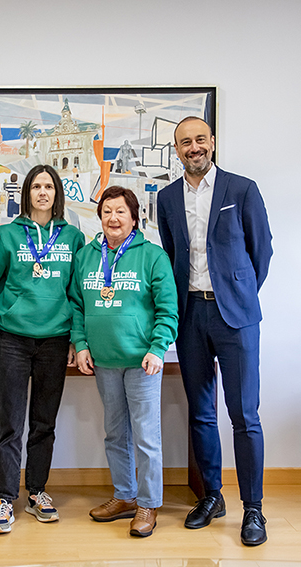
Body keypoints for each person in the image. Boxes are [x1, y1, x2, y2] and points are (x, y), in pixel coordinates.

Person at [157, 116, 273, 546]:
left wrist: (235, 293)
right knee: (202, 412)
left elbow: (261, 251)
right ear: (177, 149)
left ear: (212, 142)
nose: (193, 147)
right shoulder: (167, 198)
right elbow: (172, 254)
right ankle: (212, 497)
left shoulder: (242, 189)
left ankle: (254, 509)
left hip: (236, 318)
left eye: (199, 139)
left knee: (244, 415)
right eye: (185, 142)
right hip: (190, 317)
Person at [69, 186, 178, 538]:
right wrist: (81, 345)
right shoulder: (87, 255)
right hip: (103, 361)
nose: (113, 218)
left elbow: (168, 310)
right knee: (115, 433)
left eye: (120, 212)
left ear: (134, 217)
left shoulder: (152, 256)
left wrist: (158, 348)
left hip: (142, 361)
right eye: (106, 212)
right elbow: (76, 305)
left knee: (146, 436)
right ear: (99, 217)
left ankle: (148, 504)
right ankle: (125, 496)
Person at [0, 164, 85, 534]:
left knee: (44, 422)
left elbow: (78, 294)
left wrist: (76, 337)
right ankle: (5, 498)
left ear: (57, 194)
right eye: (36, 186)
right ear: (26, 193)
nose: (43, 192)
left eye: (49, 187)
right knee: (9, 423)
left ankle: (37, 491)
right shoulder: (7, 236)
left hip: (56, 341)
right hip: (13, 339)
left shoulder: (73, 237)